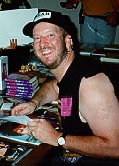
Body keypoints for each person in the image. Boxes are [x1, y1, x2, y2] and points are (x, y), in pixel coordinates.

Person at [12, 9, 119, 165]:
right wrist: (34, 103)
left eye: (50, 35)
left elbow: (115, 147)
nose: (42, 44)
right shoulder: (71, 71)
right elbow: (54, 86)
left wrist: (57, 138)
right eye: (37, 38)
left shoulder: (91, 84)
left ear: (68, 41)